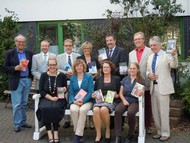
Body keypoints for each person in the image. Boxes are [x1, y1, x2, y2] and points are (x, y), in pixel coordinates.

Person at [147, 36, 178, 141]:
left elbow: (174, 65)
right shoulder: (150, 57)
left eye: (154, 45)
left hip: (163, 88)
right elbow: (148, 71)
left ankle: (165, 133)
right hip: (153, 87)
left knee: (164, 112)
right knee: (155, 112)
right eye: (151, 45)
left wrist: (174, 54)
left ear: (160, 45)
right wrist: (149, 76)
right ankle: (159, 131)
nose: (153, 47)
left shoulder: (167, 55)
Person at [3, 34, 33, 132]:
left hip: (27, 80)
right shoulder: (10, 53)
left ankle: (23, 122)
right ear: (15, 42)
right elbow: (4, 67)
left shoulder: (29, 53)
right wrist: (15, 68)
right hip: (16, 80)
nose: (21, 43)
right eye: (19, 41)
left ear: (25, 43)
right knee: (17, 104)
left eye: (23, 42)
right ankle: (17, 123)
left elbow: (32, 66)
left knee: (24, 103)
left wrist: (30, 78)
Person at [36, 57, 67, 143]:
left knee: (55, 108)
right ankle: (49, 132)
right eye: (50, 65)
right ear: (47, 66)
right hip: (46, 98)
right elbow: (41, 91)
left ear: (57, 65)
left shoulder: (62, 75)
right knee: (45, 108)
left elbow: (65, 88)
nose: (52, 66)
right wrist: (51, 98)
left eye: (54, 65)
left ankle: (56, 132)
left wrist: (64, 89)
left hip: (59, 98)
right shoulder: (44, 75)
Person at [114, 62, 145, 143]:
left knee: (131, 112)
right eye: (130, 68)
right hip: (125, 99)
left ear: (137, 69)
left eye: (134, 68)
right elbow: (120, 93)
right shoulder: (125, 79)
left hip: (135, 101)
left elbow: (142, 92)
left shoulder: (141, 80)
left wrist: (141, 93)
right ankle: (118, 135)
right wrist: (124, 100)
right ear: (128, 69)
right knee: (117, 110)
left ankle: (131, 134)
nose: (132, 70)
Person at [129, 32, 153, 133]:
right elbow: (130, 69)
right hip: (135, 85)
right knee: (137, 105)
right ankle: (138, 126)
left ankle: (146, 126)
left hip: (146, 82)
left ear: (143, 40)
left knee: (147, 105)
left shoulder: (150, 51)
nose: (137, 41)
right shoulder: (131, 53)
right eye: (135, 39)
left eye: (139, 39)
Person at [93, 61, 121, 143]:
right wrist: (94, 95)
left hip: (111, 100)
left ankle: (107, 130)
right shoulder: (98, 79)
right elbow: (95, 91)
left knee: (104, 109)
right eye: (104, 67)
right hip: (100, 100)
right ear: (102, 69)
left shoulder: (116, 79)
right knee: (96, 110)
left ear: (111, 68)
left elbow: (120, 93)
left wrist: (117, 95)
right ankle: (98, 134)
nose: (105, 69)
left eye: (107, 67)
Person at [57, 39, 80, 128]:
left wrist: (74, 72)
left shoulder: (78, 56)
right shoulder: (59, 57)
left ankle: (76, 120)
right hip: (63, 81)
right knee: (63, 99)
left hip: (75, 80)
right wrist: (65, 72)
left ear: (72, 46)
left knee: (74, 99)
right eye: (66, 45)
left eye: (70, 45)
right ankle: (66, 120)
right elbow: (57, 68)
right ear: (64, 46)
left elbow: (80, 67)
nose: (68, 47)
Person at [69, 59, 94, 143]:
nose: (79, 67)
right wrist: (74, 101)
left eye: (81, 66)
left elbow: (91, 91)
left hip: (87, 101)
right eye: (77, 66)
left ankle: (77, 136)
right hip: (75, 101)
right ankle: (79, 134)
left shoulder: (89, 77)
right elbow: (71, 93)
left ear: (83, 67)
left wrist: (83, 101)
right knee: (73, 110)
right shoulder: (72, 78)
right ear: (74, 68)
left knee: (82, 110)